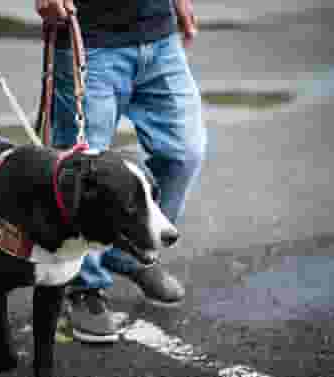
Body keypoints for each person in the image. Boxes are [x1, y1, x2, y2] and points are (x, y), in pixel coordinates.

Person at [36, 0, 207, 343]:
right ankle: (84, 285)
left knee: (184, 152)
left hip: (159, 34)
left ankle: (129, 251)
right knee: (82, 169)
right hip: (90, 37)